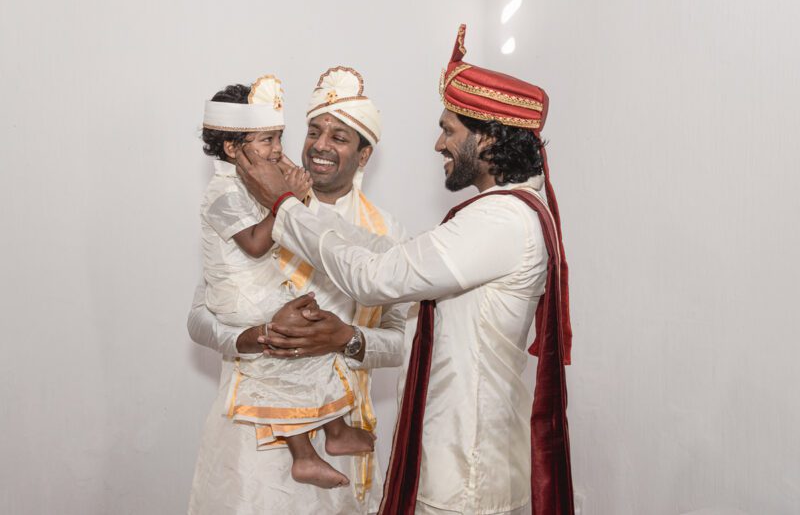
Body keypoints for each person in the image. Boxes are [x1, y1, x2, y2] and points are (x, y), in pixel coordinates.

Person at [235, 25, 574, 515]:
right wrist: (304, 209)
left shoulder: (500, 219)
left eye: (449, 130)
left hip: (468, 476)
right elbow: (392, 256)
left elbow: (374, 280)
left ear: (489, 138)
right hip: (462, 461)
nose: (438, 144)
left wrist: (284, 207)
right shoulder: (502, 212)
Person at [187, 67, 408, 514]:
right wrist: (255, 337)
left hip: (339, 441)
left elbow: (400, 341)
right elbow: (200, 316)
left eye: (340, 137)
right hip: (251, 446)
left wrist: (346, 338)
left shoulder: (384, 233)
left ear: (364, 156)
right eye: (313, 131)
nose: (321, 146)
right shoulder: (250, 204)